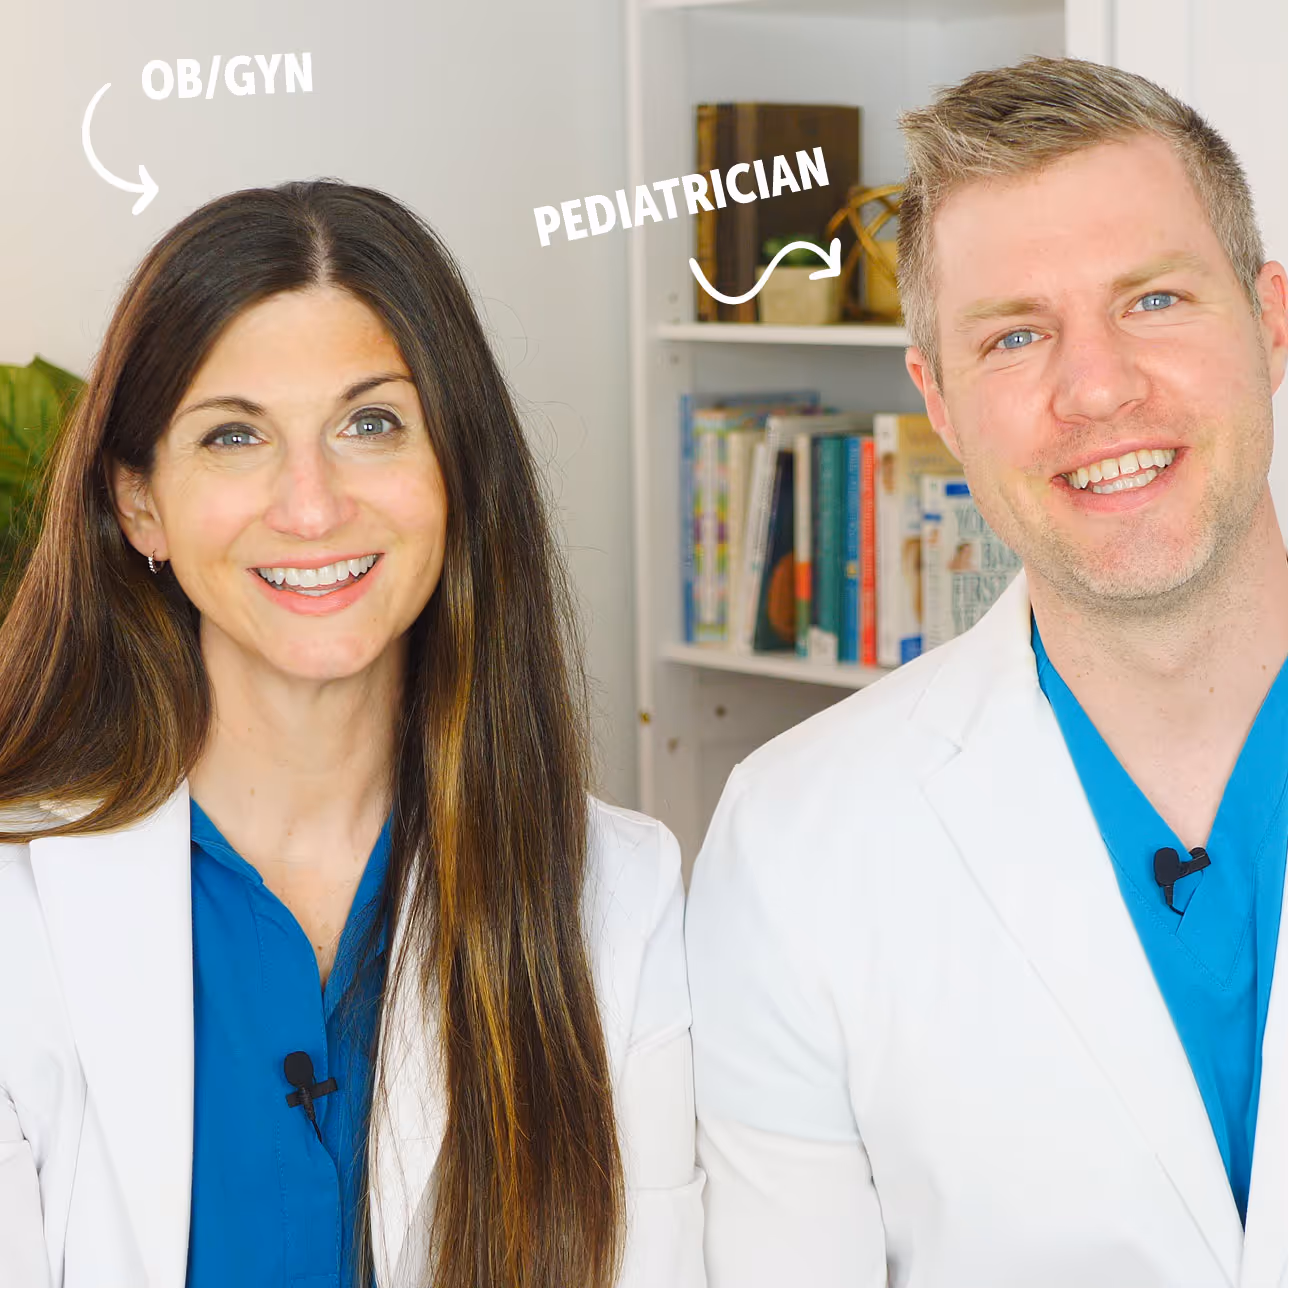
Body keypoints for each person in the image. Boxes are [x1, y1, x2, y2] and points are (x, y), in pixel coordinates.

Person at [0, 180, 704, 1288]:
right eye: (234, 435)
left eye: (369, 422)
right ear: (141, 506)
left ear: (454, 471)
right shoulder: (18, 900)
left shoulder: (618, 893)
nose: (312, 504)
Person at [686, 56, 1286, 1287]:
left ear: (1270, 321)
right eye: (1014, 334)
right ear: (941, 403)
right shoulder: (793, 836)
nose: (1097, 386)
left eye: (1154, 301)